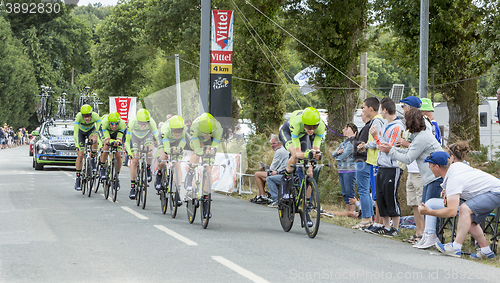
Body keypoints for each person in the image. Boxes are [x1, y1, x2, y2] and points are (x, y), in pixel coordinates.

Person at [418, 151, 500, 259]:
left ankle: (455, 247)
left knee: (464, 209)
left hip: (495, 192)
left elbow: (451, 211)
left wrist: (429, 212)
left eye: (430, 165)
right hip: (490, 191)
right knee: (468, 219)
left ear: (437, 167)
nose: (429, 167)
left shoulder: (454, 179)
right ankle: (486, 251)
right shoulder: (454, 168)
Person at [378, 108, 443, 243]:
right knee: (424, 208)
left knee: (429, 209)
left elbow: (408, 158)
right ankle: (427, 236)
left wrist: (390, 151)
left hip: (435, 177)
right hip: (429, 178)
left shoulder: (422, 137)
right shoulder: (420, 136)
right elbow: (409, 150)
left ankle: (432, 237)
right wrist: (391, 148)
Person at [411, 142, 469, 249]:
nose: (428, 167)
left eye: (431, 165)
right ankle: (427, 234)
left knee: (430, 204)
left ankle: (432, 235)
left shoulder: (456, 171)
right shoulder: (452, 171)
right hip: (461, 201)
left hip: (467, 204)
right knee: (430, 202)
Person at [278, 107, 324, 227]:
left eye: (314, 127)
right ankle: (286, 178)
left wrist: (316, 154)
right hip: (288, 132)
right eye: (309, 126)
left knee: (310, 171)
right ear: (304, 124)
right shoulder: (297, 123)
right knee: (294, 155)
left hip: (302, 134)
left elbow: (316, 147)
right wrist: (307, 154)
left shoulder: (320, 126)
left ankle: (306, 208)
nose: (312, 129)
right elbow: (298, 153)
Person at [366, 97, 405, 237]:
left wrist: (376, 137)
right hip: (382, 165)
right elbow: (380, 144)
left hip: (392, 166)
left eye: (381, 109)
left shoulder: (397, 126)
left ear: (385, 110)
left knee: (390, 195)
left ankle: (395, 227)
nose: (380, 113)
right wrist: (378, 140)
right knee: (381, 195)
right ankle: (386, 225)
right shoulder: (387, 125)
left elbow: (389, 147)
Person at [184, 113, 223, 219]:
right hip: (195, 138)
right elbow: (197, 149)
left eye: (210, 133)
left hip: (209, 143)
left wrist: (211, 150)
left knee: (209, 167)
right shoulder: (195, 127)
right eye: (206, 133)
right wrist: (202, 149)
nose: (208, 135)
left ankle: (206, 199)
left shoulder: (218, 128)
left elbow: (214, 147)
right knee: (198, 150)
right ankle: (190, 173)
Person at [353, 97, 383, 229]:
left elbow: (376, 142)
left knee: (363, 190)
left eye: (363, 108)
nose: (362, 111)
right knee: (364, 190)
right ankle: (369, 218)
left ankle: (366, 219)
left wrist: (363, 146)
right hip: (367, 161)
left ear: (371, 108)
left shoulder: (375, 123)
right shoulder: (370, 124)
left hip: (365, 161)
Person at [154, 115, 189, 207]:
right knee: (163, 156)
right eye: (174, 131)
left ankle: (178, 192)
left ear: (182, 128)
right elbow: (166, 149)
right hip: (165, 140)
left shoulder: (185, 130)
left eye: (179, 131)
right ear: (171, 129)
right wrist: (170, 151)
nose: (177, 133)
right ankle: (159, 173)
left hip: (177, 141)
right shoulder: (165, 129)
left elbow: (183, 143)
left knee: (177, 164)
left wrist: (179, 149)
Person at [125, 109, 158, 199]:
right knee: (135, 160)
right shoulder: (132, 123)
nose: (143, 125)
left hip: (147, 136)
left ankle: (147, 167)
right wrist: (129, 153)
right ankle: (132, 187)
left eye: (145, 123)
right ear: (137, 121)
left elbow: (157, 137)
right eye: (141, 123)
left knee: (150, 152)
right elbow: (127, 141)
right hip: (134, 138)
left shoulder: (152, 122)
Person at [251, 134, 289, 205]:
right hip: (282, 173)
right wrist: (265, 167)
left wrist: (265, 167)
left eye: (274, 143)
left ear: (280, 143)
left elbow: (272, 168)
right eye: (271, 144)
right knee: (261, 175)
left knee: (257, 174)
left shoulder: (279, 152)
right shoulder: (284, 150)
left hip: (281, 174)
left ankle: (263, 196)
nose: (272, 145)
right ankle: (261, 196)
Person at [74, 104, 101, 191]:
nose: (86, 118)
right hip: (80, 133)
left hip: (91, 131)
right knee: (80, 155)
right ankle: (78, 178)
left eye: (88, 116)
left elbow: (100, 131)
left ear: (91, 114)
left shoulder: (96, 116)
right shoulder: (78, 117)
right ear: (82, 115)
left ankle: (92, 158)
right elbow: (75, 132)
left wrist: (100, 144)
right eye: (84, 116)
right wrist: (76, 145)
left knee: (94, 139)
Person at [333, 123, 358, 212]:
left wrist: (337, 156)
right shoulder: (343, 143)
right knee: (344, 193)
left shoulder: (352, 143)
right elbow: (333, 154)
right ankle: (348, 212)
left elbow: (343, 156)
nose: (344, 130)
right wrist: (337, 153)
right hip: (341, 170)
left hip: (349, 170)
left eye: (347, 129)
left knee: (349, 191)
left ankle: (352, 212)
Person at [98, 112, 126, 191]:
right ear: (109, 123)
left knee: (118, 155)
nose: (114, 126)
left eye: (116, 124)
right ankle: (102, 167)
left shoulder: (122, 124)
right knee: (106, 146)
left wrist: (117, 142)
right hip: (105, 132)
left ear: (119, 122)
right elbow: (107, 139)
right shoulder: (105, 123)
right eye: (112, 124)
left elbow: (119, 138)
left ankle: (116, 176)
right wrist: (110, 142)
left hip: (115, 134)